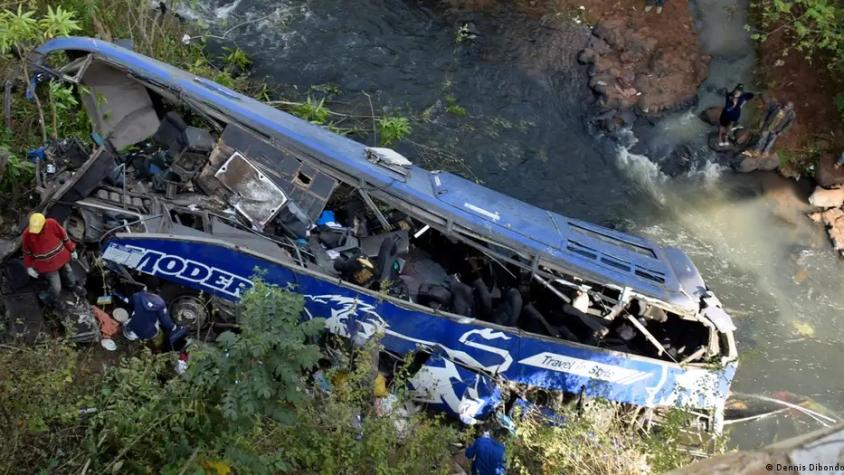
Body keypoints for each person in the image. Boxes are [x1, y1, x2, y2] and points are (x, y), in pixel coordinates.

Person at [21, 212, 78, 306]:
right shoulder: (27, 235)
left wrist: (72, 249)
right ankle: (48, 298)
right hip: (47, 266)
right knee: (56, 288)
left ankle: (72, 287)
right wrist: (29, 267)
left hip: (62, 258)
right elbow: (27, 252)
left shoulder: (52, 223)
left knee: (69, 273)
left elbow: (64, 236)